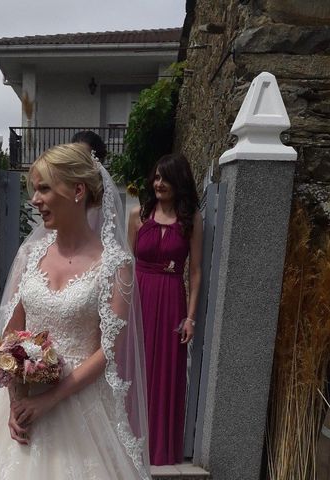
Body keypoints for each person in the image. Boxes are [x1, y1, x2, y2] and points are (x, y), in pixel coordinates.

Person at [0, 143, 151, 479]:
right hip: (21, 404)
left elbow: (108, 351)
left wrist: (49, 400)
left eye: (44, 188)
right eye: (34, 190)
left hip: (79, 404)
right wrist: (17, 401)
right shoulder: (29, 255)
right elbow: (9, 334)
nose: (35, 200)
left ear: (77, 190)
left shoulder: (116, 265)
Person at [127, 153, 202, 465]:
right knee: (135, 368)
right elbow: (126, 264)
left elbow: (195, 271)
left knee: (166, 372)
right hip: (139, 297)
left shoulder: (191, 220)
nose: (158, 183)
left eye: (165, 178)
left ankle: (160, 450)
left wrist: (190, 318)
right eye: (156, 177)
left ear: (178, 181)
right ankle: (130, 442)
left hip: (172, 300)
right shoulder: (137, 215)